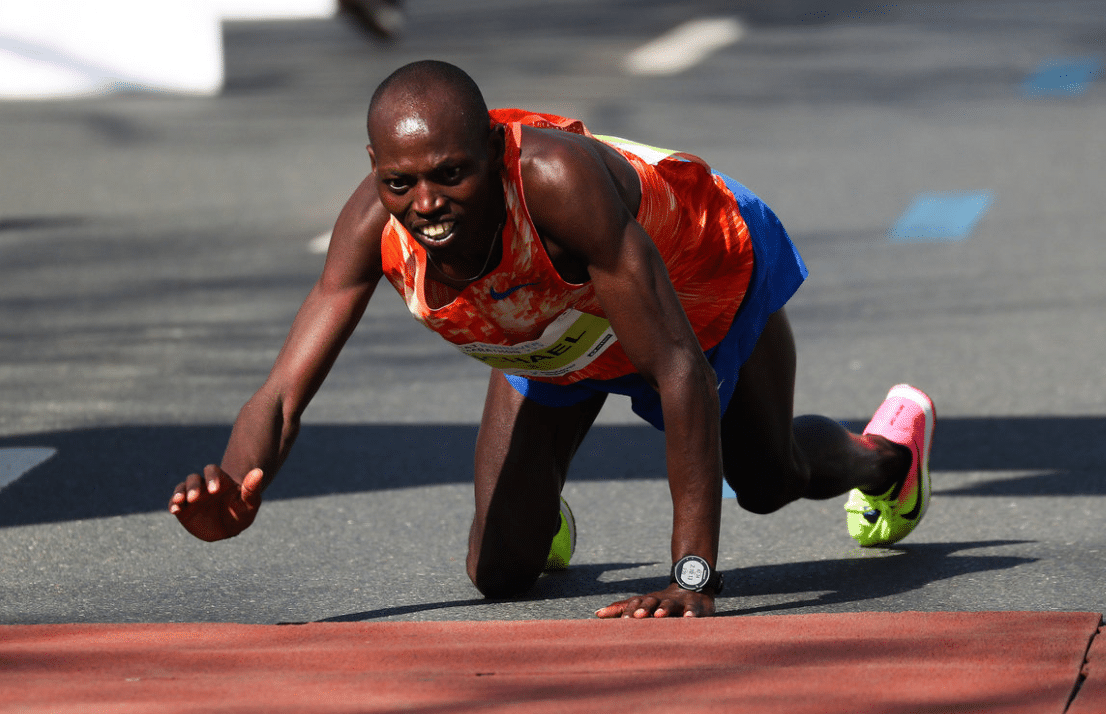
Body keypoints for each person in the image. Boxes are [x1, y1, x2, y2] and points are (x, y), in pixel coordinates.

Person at [169, 60, 936, 619]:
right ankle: (542, 512)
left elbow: (678, 371)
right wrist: (240, 486)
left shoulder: (558, 185)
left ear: (497, 153)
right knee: (499, 572)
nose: (427, 204)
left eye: (451, 174)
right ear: (375, 170)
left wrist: (693, 574)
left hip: (704, 296)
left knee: (769, 482)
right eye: (401, 183)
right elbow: (282, 394)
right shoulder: (375, 221)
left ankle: (887, 455)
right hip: (548, 338)